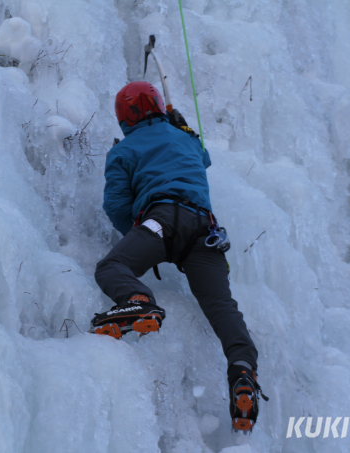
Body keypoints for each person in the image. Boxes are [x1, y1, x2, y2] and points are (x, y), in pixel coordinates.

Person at [90, 81, 266, 432]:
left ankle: (138, 300)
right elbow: (204, 158)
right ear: (158, 105)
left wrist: (137, 235)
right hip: (206, 230)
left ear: (123, 118)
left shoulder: (123, 151)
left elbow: (116, 207)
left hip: (162, 220)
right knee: (220, 305)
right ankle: (243, 369)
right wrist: (181, 125)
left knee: (112, 267)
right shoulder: (185, 138)